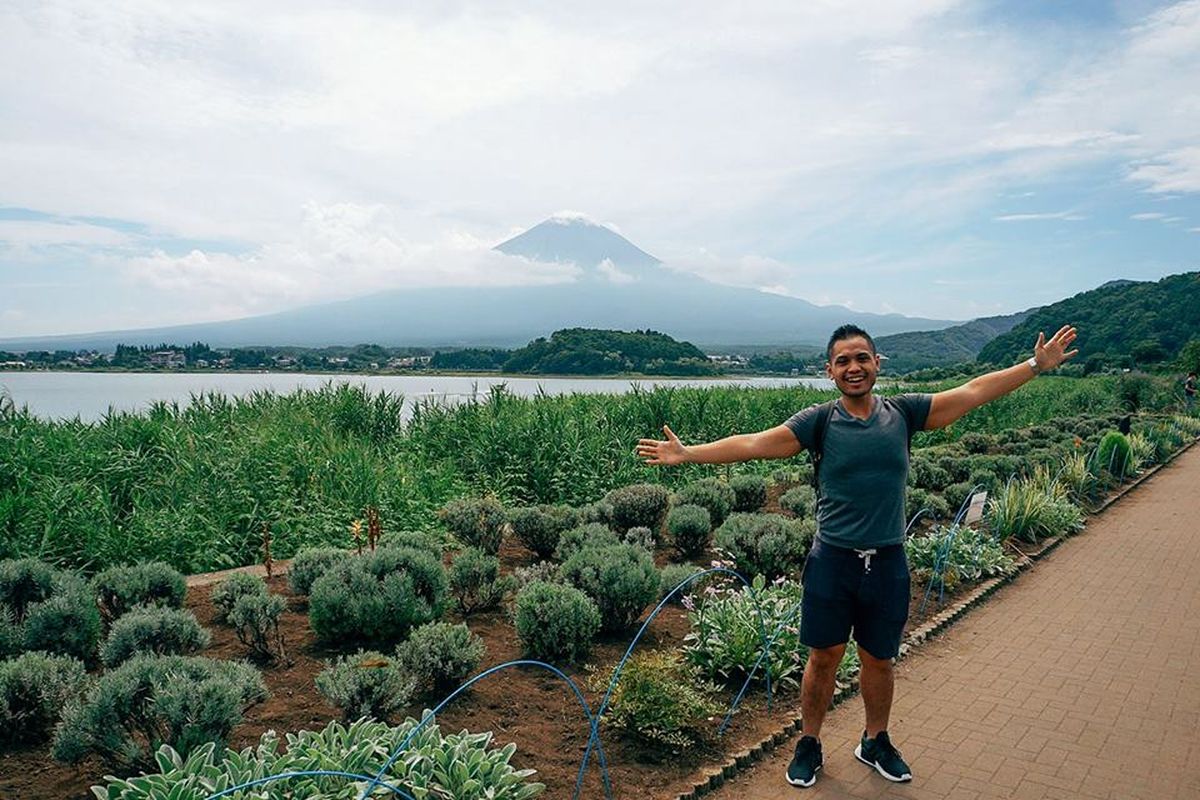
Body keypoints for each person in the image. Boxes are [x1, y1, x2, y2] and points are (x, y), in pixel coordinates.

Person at [636, 322, 1078, 788]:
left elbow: (971, 392)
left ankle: (875, 740)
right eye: (843, 361)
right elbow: (754, 444)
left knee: (879, 659)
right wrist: (689, 454)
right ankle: (809, 742)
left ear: (877, 364)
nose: (854, 367)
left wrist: (1035, 365)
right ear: (829, 371)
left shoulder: (904, 414)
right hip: (833, 561)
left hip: (887, 561)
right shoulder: (818, 422)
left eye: (862, 358)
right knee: (823, 657)